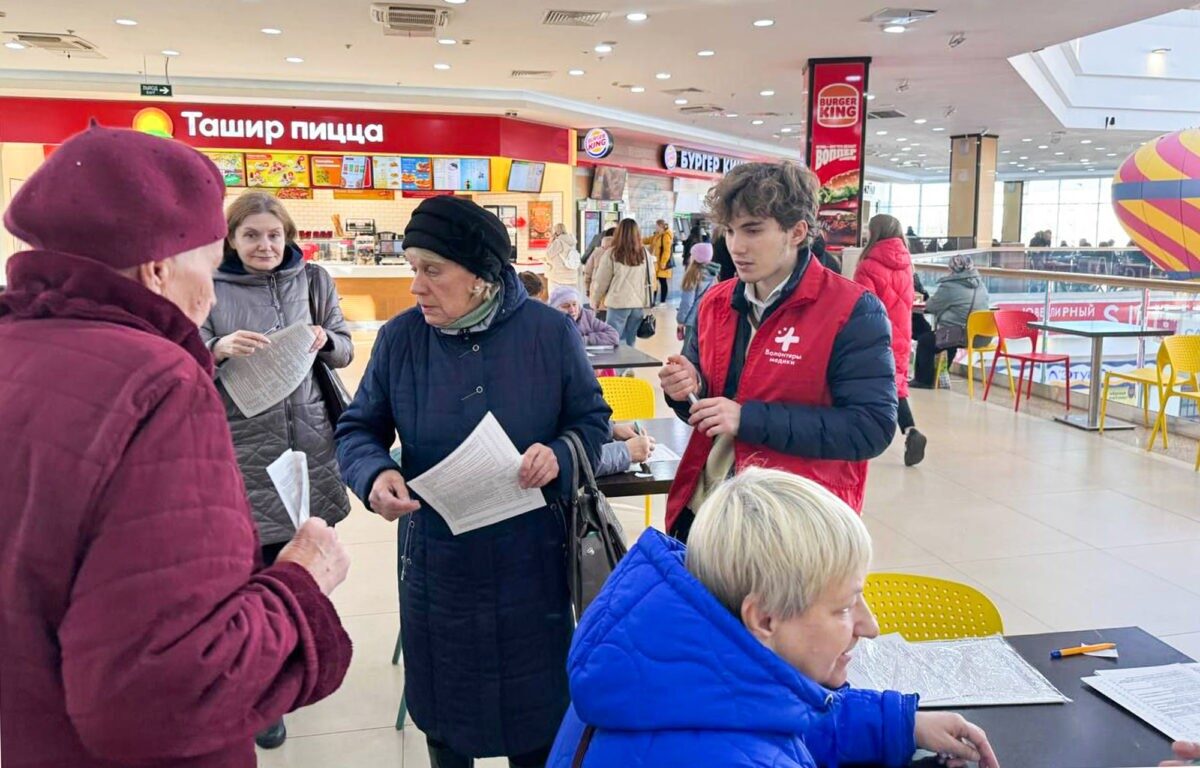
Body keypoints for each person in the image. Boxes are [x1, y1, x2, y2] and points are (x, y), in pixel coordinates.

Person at [0, 124, 351, 768]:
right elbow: (165, 687)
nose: (214, 294)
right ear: (158, 268)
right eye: (213, 266)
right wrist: (300, 582)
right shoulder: (158, 385)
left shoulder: (16, 350)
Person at [335, 195, 611, 768]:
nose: (416, 286)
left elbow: (591, 419)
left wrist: (561, 452)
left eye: (432, 270)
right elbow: (358, 428)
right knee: (446, 721)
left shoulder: (549, 335)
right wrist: (377, 472)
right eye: (413, 268)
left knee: (535, 721)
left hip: (531, 560)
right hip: (438, 565)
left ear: (482, 276)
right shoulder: (401, 340)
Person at [547, 468, 1000, 768]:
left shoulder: (648, 670)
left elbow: (769, 716)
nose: (870, 626)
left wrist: (901, 725)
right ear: (764, 619)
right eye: (843, 607)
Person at [658, 161, 896, 541]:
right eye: (731, 231)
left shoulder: (852, 310)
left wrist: (747, 419)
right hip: (708, 509)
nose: (736, 246)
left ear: (797, 231)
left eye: (753, 230)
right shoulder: (716, 302)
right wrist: (685, 390)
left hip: (794, 525)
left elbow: (871, 429)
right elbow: (704, 403)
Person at [199, 191, 353, 747]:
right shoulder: (208, 285)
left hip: (311, 438)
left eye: (273, 235)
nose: (265, 246)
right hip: (242, 443)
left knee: (310, 556)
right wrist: (216, 347)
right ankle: (262, 688)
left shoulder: (313, 280)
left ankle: (299, 661)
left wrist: (324, 338)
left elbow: (344, 347)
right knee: (257, 564)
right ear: (231, 240)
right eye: (251, 236)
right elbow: (179, 347)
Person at [854, 214, 927, 467]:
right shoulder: (908, 262)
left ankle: (863, 434)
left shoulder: (868, 263)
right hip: (902, 332)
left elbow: (863, 303)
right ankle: (910, 430)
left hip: (877, 332)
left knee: (865, 384)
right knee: (896, 384)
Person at [911, 254, 991, 389]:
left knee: (926, 340)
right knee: (944, 339)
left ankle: (923, 380)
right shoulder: (981, 285)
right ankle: (940, 374)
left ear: (952, 268)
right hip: (982, 336)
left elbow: (930, 306)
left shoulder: (950, 286)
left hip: (960, 335)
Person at [590, 218, 655, 347]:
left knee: (614, 341)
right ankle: (628, 366)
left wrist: (595, 299)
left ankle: (617, 368)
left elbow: (601, 281)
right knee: (630, 341)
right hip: (638, 304)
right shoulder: (644, 254)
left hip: (617, 304)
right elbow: (651, 278)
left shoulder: (612, 254)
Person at [675, 242, 719, 345]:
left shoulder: (692, 275)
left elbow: (687, 302)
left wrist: (680, 320)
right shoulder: (714, 275)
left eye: (691, 255)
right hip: (708, 318)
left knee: (689, 352)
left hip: (693, 319)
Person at [550, 285, 618, 346]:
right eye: (566, 306)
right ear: (555, 309)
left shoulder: (587, 317)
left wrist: (585, 340)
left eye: (574, 304)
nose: (572, 309)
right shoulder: (549, 323)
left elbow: (613, 336)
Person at [544, 222, 581, 293]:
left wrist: (551, 242)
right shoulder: (571, 241)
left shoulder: (558, 242)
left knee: (556, 300)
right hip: (571, 277)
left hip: (558, 277)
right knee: (570, 298)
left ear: (555, 231)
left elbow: (548, 255)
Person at [582, 226, 614, 307]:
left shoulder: (597, 252)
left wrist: (587, 289)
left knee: (598, 317)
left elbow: (587, 272)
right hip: (615, 299)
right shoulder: (621, 254)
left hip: (597, 295)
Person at [644, 218, 675, 304]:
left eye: (656, 226)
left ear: (661, 226)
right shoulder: (657, 235)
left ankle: (662, 301)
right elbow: (648, 240)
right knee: (654, 282)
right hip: (655, 263)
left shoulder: (666, 236)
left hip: (661, 264)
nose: (655, 227)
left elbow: (667, 251)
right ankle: (652, 301)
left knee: (663, 282)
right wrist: (638, 239)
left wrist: (663, 262)